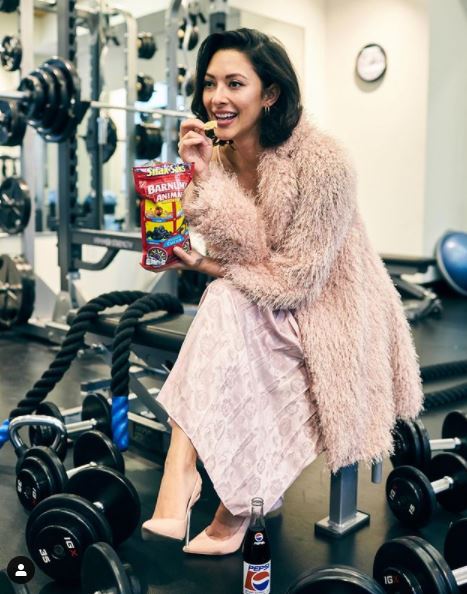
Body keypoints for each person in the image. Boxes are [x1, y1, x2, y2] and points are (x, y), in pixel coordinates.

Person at [141, 28, 423, 556]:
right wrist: (201, 177)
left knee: (225, 300)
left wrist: (206, 264)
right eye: (209, 84)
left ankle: (214, 496)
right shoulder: (218, 158)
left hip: (332, 308)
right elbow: (250, 253)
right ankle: (190, 474)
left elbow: (297, 280)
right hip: (261, 297)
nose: (217, 98)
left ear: (269, 93)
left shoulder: (324, 162)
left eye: (234, 83)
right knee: (225, 302)